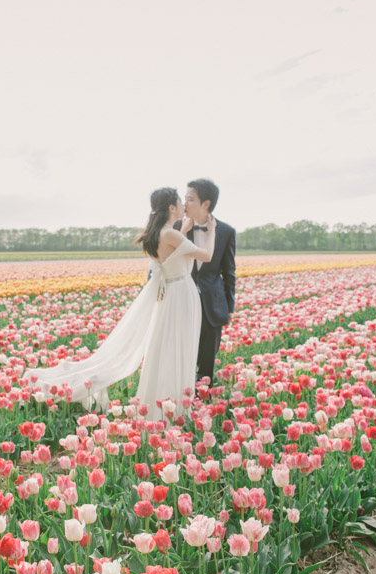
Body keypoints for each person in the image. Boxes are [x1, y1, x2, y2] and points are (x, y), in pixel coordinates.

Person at [24, 187, 216, 420]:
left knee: (168, 349)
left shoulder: (159, 234)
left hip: (172, 295)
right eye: (180, 201)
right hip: (180, 295)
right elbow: (206, 255)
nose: (184, 205)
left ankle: (165, 405)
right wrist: (212, 230)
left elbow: (175, 252)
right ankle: (174, 409)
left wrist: (184, 229)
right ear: (172, 208)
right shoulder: (170, 234)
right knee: (177, 347)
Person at [177, 179, 235, 384]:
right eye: (184, 199)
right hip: (182, 300)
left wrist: (230, 306)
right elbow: (163, 260)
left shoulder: (226, 231)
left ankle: (205, 399)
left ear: (206, 204)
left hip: (213, 302)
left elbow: (229, 272)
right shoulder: (176, 228)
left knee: (208, 358)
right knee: (182, 353)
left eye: (190, 199)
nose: (184, 204)